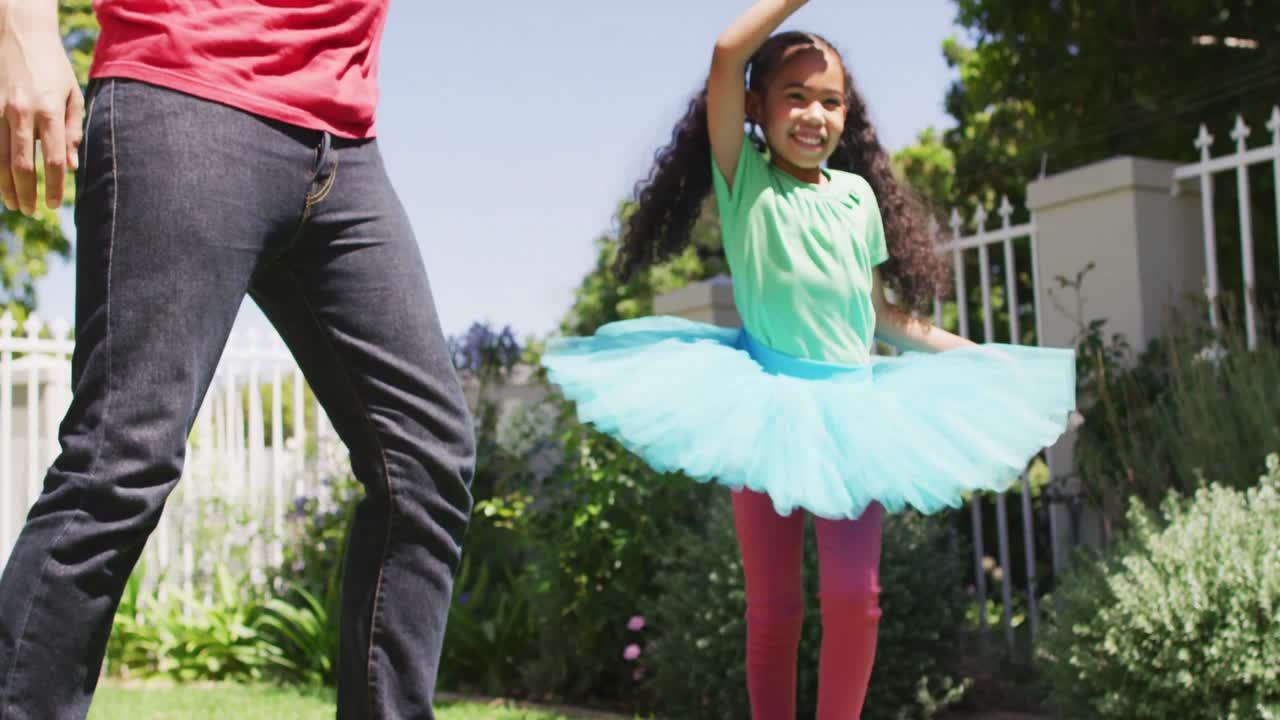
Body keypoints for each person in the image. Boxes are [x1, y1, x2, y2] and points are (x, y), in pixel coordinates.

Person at [540, 1, 1075, 717]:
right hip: (765, 403)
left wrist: (981, 359)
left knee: (858, 601)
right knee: (774, 610)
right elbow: (728, 52)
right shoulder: (746, 181)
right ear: (757, 107)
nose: (815, 115)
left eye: (831, 101)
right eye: (796, 97)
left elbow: (883, 317)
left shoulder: (856, 198)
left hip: (856, 413)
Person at [0, 1, 475, 718]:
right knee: (121, 462)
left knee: (427, 459)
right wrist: (24, 25)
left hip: (342, 135)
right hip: (184, 88)